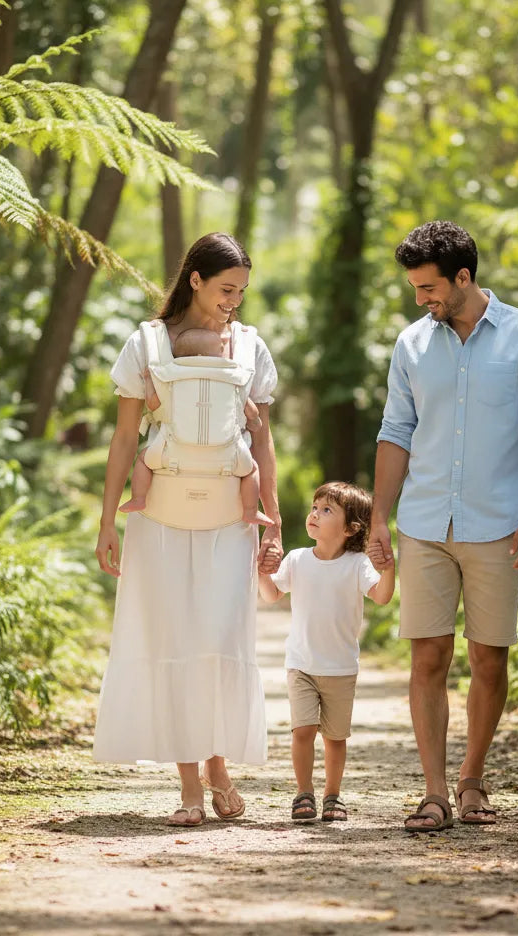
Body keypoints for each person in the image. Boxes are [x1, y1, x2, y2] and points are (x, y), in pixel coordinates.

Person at [368, 220, 518, 832]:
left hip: (498, 525)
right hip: (424, 521)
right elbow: (396, 431)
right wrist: (378, 515)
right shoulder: (412, 344)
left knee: (489, 659)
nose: (420, 300)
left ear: (463, 277)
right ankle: (433, 792)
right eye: (414, 290)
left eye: (428, 288)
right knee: (427, 655)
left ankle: (473, 778)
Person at [94, 232, 283, 827]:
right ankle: (189, 786)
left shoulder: (251, 347)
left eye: (242, 292)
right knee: (172, 640)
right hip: (158, 519)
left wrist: (272, 522)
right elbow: (126, 439)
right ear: (195, 278)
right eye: (227, 289)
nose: (235, 301)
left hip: (231, 520)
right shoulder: (146, 344)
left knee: (219, 640)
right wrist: (107, 522)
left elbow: (263, 442)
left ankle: (219, 765)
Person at [258, 482, 395, 824]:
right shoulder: (298, 558)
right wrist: (261, 572)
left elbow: (381, 596)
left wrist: (390, 569)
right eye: (314, 507)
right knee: (302, 730)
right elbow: (272, 595)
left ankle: (332, 795)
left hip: (341, 668)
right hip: (301, 663)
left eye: (327, 510)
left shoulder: (357, 563)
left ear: (351, 528)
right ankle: (304, 792)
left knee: (335, 738)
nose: (314, 514)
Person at [118, 326, 271, 526]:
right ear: (204, 355)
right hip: (227, 454)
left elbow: (153, 403)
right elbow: (251, 412)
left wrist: (148, 380)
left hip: (172, 451)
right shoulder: (233, 379)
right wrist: (255, 422)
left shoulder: (172, 379)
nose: (222, 352)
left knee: (143, 461)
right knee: (251, 470)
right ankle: (251, 510)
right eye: (219, 349)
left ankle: (139, 498)